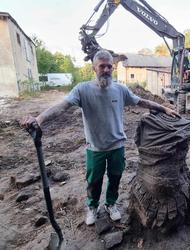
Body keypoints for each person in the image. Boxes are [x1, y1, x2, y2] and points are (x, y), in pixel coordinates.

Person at [21, 50, 178, 226]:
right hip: (95, 148)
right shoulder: (82, 89)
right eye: (102, 66)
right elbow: (62, 106)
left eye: (109, 66)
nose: (106, 69)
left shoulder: (120, 89)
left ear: (113, 67)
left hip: (117, 146)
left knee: (115, 177)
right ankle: (93, 207)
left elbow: (142, 102)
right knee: (94, 181)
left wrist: (164, 108)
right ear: (94, 68)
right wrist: (39, 119)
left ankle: (111, 204)